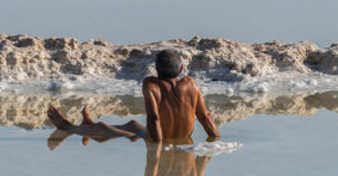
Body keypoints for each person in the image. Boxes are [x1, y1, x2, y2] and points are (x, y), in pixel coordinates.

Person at [45, 48, 220, 143]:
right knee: (133, 124)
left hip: (157, 138)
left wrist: (156, 147)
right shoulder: (191, 85)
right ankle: (88, 125)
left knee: (106, 130)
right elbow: (205, 117)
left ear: (156, 70)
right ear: (181, 69)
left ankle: (68, 127)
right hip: (177, 138)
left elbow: (154, 118)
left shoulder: (151, 85)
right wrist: (216, 138)